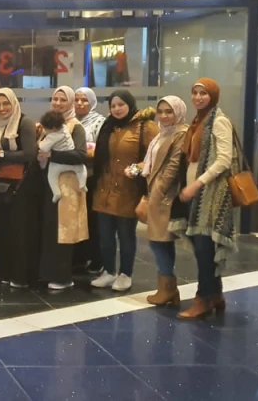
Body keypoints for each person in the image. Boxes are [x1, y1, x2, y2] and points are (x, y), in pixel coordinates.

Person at [173, 78, 238, 320]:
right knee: (204, 248)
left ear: (213, 96)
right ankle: (216, 294)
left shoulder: (219, 121)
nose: (198, 98)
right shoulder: (198, 121)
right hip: (197, 193)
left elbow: (224, 159)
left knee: (203, 249)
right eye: (195, 93)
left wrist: (198, 183)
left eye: (204, 93)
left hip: (211, 194)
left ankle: (203, 299)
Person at [90, 90, 157, 292]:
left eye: (121, 105)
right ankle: (109, 271)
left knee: (126, 235)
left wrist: (138, 167)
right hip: (104, 189)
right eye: (113, 106)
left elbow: (155, 155)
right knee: (105, 235)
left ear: (130, 104)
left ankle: (125, 274)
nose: (117, 109)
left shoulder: (145, 126)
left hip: (129, 190)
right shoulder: (109, 126)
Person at [0, 88, 41, 288]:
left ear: (14, 103)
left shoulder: (24, 123)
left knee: (19, 230)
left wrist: (0, 154)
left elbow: (29, 154)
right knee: (4, 230)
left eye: (6, 103)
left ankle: (20, 275)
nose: (2, 108)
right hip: (3, 184)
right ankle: (4, 272)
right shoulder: (0, 125)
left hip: (22, 185)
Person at [136, 96, 189, 307]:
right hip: (158, 193)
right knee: (162, 242)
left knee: (158, 242)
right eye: (161, 111)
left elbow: (173, 167)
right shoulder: (163, 133)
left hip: (165, 196)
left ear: (179, 112)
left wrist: (156, 193)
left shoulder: (181, 133)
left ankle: (167, 288)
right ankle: (168, 288)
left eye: (169, 111)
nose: (164, 116)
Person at [37, 86, 90, 290]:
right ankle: (48, 273)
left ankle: (63, 277)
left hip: (68, 186)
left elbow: (81, 155)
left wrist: (53, 156)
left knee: (63, 233)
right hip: (50, 184)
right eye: (55, 99)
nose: (58, 103)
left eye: (63, 100)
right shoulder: (49, 124)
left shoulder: (76, 127)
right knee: (51, 231)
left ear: (71, 103)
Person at [73, 86, 107, 274]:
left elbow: (101, 150)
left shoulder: (99, 122)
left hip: (91, 176)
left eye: (84, 100)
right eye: (76, 99)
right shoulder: (69, 120)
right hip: (72, 176)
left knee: (91, 220)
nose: (79, 103)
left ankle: (97, 258)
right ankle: (79, 257)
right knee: (76, 218)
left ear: (92, 102)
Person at [37, 111, 87, 201]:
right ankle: (82, 184)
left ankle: (56, 192)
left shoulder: (53, 136)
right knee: (82, 169)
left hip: (59, 166)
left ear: (53, 128)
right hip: (74, 163)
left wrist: (40, 142)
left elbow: (43, 148)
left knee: (52, 176)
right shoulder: (65, 127)